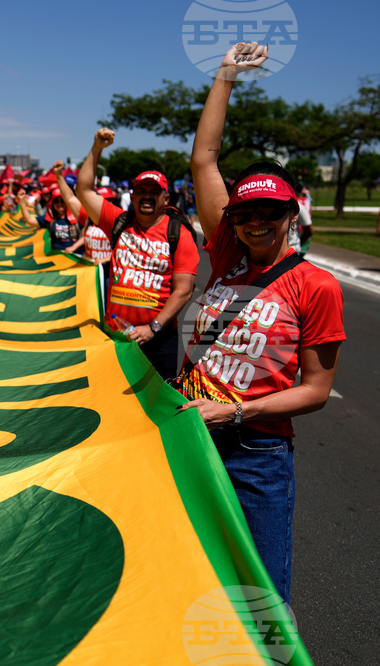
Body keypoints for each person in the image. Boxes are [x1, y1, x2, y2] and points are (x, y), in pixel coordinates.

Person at [176, 42, 345, 603]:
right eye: (243, 214)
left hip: (257, 455)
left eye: (267, 212)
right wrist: (225, 76)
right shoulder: (225, 258)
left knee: (260, 596)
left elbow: (317, 391)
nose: (253, 223)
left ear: (290, 214)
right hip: (191, 438)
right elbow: (204, 159)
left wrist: (235, 410)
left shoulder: (315, 285)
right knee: (190, 578)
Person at [75, 128, 199, 380]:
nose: (147, 196)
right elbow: (84, 190)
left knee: (154, 408)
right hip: (115, 335)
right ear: (131, 196)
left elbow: (183, 290)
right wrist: (97, 148)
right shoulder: (118, 222)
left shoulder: (178, 232)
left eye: (154, 192)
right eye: (141, 191)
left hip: (158, 338)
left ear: (166, 197)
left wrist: (152, 328)